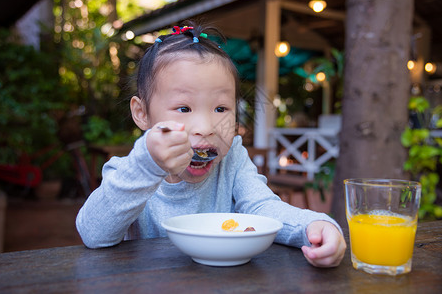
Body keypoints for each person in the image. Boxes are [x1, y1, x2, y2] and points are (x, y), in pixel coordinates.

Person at [76, 22, 346, 268]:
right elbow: (92, 233)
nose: (206, 127)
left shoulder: (232, 160)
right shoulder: (129, 173)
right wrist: (146, 165)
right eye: (184, 108)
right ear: (142, 113)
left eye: (221, 108)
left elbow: (263, 208)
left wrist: (314, 225)